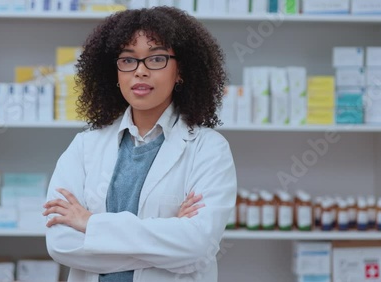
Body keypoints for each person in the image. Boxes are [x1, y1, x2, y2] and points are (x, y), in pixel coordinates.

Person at [43, 6, 237, 282]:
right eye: (128, 60)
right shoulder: (85, 146)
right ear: (116, 72)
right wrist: (170, 238)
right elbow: (61, 243)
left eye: (156, 59)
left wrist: (90, 224)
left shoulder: (209, 149)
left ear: (180, 70)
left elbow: (197, 246)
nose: (140, 71)